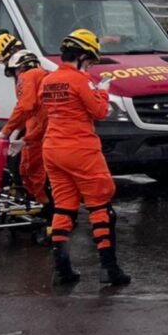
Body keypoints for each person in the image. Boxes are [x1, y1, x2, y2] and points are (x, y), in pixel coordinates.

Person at [39, 28, 129, 286]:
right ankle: (109, 269)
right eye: (89, 61)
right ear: (80, 56)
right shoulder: (80, 81)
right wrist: (102, 90)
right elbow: (100, 111)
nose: (89, 66)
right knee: (100, 205)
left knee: (64, 207)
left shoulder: (48, 80)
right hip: (80, 149)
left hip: (52, 149)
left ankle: (61, 269)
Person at [0, 49, 51, 211]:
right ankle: (54, 213)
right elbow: (35, 112)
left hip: (45, 131)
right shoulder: (46, 76)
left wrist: (6, 131)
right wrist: (22, 136)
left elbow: (25, 106)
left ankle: (44, 209)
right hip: (53, 131)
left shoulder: (27, 76)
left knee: (31, 170)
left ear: (19, 68)